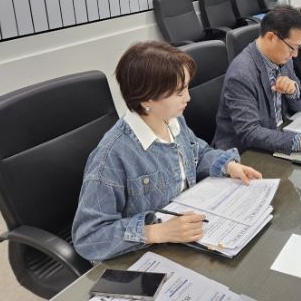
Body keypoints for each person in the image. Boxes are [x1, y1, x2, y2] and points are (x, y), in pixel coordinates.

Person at [72, 41, 262, 262]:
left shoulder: (172, 120)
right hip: (143, 255)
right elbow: (89, 237)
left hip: (185, 238)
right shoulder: (112, 156)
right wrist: (156, 232)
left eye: (187, 88)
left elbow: (197, 153)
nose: (188, 98)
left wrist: (228, 165)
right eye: (179, 92)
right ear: (146, 99)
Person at [212, 4, 301, 154]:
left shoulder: (284, 59)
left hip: (277, 134)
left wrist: (293, 91)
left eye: (299, 47)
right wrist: (298, 142)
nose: (295, 54)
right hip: (244, 153)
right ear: (271, 38)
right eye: (292, 47)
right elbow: (250, 132)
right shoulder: (241, 74)